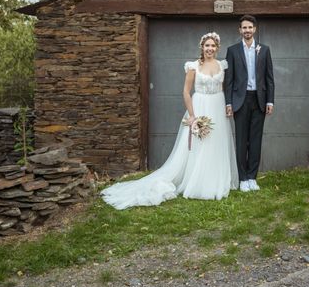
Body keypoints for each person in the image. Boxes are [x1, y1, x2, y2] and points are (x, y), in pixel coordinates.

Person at [101, 32, 238, 210]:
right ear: (202, 47)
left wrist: (227, 105)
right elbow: (186, 92)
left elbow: (225, 87)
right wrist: (192, 115)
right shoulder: (193, 66)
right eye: (207, 46)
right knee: (199, 144)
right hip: (200, 106)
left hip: (217, 106)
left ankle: (217, 179)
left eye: (213, 46)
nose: (210, 49)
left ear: (217, 48)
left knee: (217, 143)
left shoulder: (222, 65)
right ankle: (197, 181)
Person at [224, 15, 275, 192]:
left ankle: (252, 177)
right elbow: (228, 80)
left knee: (255, 140)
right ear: (240, 30)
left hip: (259, 100)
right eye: (244, 28)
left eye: (250, 27)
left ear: (255, 29)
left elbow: (269, 78)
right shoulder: (232, 51)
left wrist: (270, 100)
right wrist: (228, 102)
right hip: (240, 100)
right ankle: (242, 178)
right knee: (241, 140)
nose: (247, 30)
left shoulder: (265, 50)